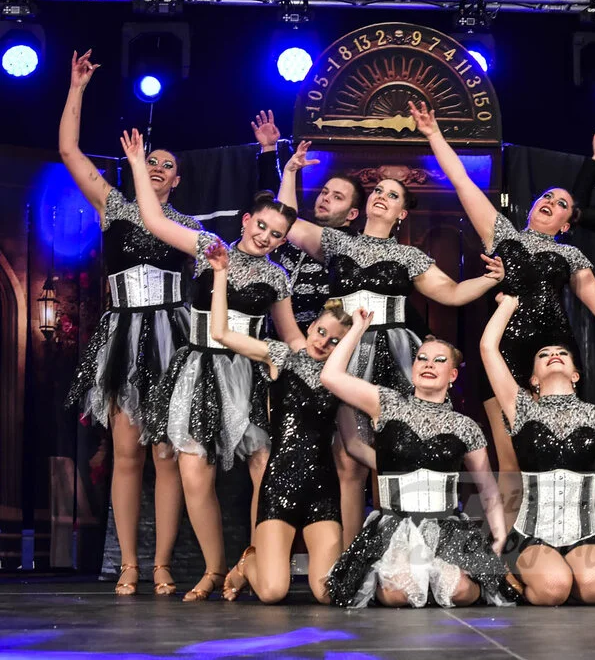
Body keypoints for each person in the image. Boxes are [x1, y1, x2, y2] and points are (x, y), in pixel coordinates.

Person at [277, 141, 505, 545]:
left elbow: (452, 293)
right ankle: (351, 557)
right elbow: (287, 223)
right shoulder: (336, 242)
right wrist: (290, 172)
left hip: (395, 354)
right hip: (345, 353)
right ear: (366, 203)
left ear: (402, 213)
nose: (382, 196)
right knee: (348, 461)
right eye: (378, 191)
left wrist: (491, 279)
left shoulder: (408, 256)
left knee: (392, 455)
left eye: (393, 194)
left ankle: (395, 548)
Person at [123, 127, 301, 601]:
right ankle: (214, 568)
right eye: (261, 226)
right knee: (193, 470)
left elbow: (291, 336)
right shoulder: (209, 248)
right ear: (246, 220)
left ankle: (254, 561)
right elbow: (153, 219)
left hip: (248, 373)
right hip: (199, 367)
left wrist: (311, 358)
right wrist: (139, 164)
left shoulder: (277, 276)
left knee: (263, 466)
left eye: (277, 234)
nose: (266, 237)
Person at [61, 51, 195, 596]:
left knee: (166, 454)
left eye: (166, 164)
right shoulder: (113, 206)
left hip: (171, 337)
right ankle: (130, 565)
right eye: (150, 160)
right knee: (126, 453)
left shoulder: (185, 225)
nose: (157, 166)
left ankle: (161, 564)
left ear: (176, 180)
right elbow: (69, 152)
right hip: (122, 335)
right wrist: (77, 89)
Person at [408, 102, 595, 476]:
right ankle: (512, 517)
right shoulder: (501, 235)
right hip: (502, 349)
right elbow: (462, 182)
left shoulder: (571, 254)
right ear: (532, 206)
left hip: (553, 350)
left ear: (565, 224)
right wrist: (433, 134)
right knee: (511, 457)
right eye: (547, 197)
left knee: (555, 452)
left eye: (561, 203)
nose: (551, 203)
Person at [321, 313, 517, 608]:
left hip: (447, 529)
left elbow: (487, 487)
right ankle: (399, 580)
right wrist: (358, 329)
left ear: (452, 375)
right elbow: (330, 376)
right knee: (400, 594)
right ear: (412, 368)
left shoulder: (464, 426)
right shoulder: (387, 403)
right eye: (422, 358)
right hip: (395, 528)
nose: (428, 364)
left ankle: (440, 579)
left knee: (460, 593)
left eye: (439, 360)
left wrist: (499, 536)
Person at [202, 241, 349, 604]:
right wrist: (220, 274)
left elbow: (355, 444)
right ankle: (246, 563)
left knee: (327, 594)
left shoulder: (343, 381)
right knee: (272, 592)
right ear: (310, 327)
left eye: (335, 341)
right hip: (280, 484)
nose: (323, 342)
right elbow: (221, 333)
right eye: (321, 332)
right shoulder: (280, 356)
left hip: (321, 489)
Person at [481, 294, 595, 606]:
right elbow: (488, 348)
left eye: (562, 353)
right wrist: (508, 306)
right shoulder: (520, 409)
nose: (553, 355)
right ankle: (522, 578)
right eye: (543, 354)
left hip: (585, 535)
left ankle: (567, 575)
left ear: (576, 374)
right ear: (533, 378)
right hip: (531, 535)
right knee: (553, 588)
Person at [251, 110, 364, 332]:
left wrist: (290, 172)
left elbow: (286, 218)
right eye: (325, 192)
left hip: (319, 340)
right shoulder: (299, 227)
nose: (326, 198)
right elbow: (275, 208)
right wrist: (269, 150)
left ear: (352, 214)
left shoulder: (350, 245)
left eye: (337, 197)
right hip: (273, 334)